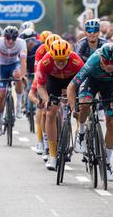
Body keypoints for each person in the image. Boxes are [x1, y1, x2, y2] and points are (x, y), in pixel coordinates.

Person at [68, 43, 113, 182]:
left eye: (112, 62)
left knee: (112, 121)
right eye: (106, 61)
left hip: (111, 85)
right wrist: (73, 108)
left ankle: (106, 163)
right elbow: (71, 86)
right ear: (101, 59)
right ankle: (81, 133)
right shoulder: (92, 62)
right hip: (92, 81)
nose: (109, 65)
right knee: (84, 105)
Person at [36, 40, 84, 170]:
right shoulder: (45, 62)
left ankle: (81, 135)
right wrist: (46, 100)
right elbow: (40, 86)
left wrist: (77, 100)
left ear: (69, 56)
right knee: (50, 112)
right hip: (54, 82)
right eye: (57, 60)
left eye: (63, 60)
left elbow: (85, 82)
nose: (61, 63)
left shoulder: (76, 61)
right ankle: (52, 155)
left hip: (72, 81)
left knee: (80, 108)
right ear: (52, 57)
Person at [0, 26, 28, 135]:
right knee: (1, 95)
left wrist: (23, 75)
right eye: (8, 38)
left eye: (13, 38)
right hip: (1, 67)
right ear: (4, 37)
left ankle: (18, 106)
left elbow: (23, 61)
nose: (10, 41)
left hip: (14, 65)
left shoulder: (21, 42)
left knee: (18, 76)